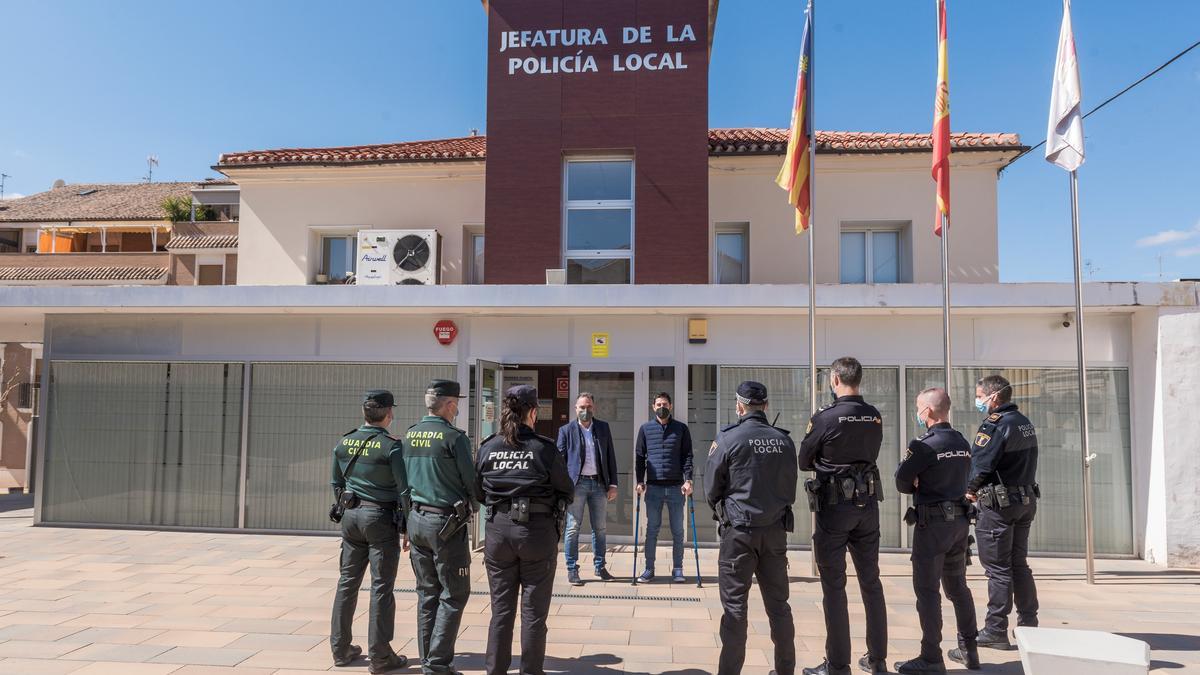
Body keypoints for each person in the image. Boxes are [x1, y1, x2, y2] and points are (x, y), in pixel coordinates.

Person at [474, 384, 574, 675]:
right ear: (533, 412)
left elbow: (477, 490)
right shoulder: (543, 448)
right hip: (537, 534)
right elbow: (566, 489)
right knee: (533, 613)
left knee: (501, 611)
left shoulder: (488, 446)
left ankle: (496, 671)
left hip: (498, 533)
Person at [799, 357, 888, 675]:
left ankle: (837, 665)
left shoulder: (826, 417)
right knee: (871, 582)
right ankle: (877, 660)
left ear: (835, 380)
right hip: (868, 507)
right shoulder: (874, 416)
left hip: (835, 509)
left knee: (834, 587)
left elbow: (804, 459)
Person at [706, 381, 799, 675]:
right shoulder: (784, 441)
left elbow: (711, 488)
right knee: (779, 606)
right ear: (766, 406)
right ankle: (785, 670)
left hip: (739, 535)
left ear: (739, 406)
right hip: (774, 534)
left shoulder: (728, 439)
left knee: (735, 610)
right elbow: (790, 487)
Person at [892, 388, 980, 674]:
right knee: (958, 588)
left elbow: (902, 482)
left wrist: (917, 479)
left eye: (918, 408)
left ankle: (931, 656)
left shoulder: (923, 445)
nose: (917, 413)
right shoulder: (962, 441)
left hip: (933, 526)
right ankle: (970, 649)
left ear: (928, 412)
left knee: (928, 591)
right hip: (959, 524)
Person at [329, 390, 409, 674]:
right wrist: (408, 525)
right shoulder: (391, 446)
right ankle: (380, 655)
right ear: (389, 414)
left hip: (350, 517)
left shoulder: (344, 442)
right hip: (380, 518)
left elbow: (337, 483)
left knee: (347, 582)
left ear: (365, 414)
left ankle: (340, 649)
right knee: (382, 586)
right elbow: (403, 489)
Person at [399, 379, 475, 675]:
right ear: (449, 404)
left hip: (417, 520)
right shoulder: (455, 438)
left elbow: (404, 484)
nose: (457, 408)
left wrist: (406, 523)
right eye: (457, 403)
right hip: (446, 524)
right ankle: (438, 664)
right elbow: (471, 481)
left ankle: (429, 659)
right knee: (455, 594)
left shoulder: (410, 435)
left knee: (427, 592)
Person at [967, 374, 1040, 650]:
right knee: (1019, 564)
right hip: (1024, 501)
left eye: (979, 395)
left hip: (999, 507)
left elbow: (982, 465)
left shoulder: (995, 425)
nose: (977, 401)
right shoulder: (1024, 422)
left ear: (993, 397)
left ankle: (996, 629)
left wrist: (969, 491)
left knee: (997, 569)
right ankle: (1029, 625)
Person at [557, 392, 619, 585]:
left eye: (589, 407)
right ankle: (572, 569)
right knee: (573, 528)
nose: (585, 410)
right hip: (577, 486)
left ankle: (600, 567)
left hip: (599, 484)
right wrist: (562, 486)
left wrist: (613, 484)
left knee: (600, 528)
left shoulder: (602, 428)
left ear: (594, 408)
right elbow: (559, 462)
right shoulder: (566, 430)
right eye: (582, 407)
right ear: (575, 409)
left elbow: (610, 457)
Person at [634, 392, 694, 583]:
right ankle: (649, 569)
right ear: (653, 407)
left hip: (676, 487)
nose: (662, 407)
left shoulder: (681, 429)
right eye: (658, 404)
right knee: (652, 529)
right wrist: (639, 480)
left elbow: (688, 456)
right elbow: (639, 457)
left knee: (678, 531)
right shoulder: (645, 429)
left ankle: (677, 569)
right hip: (653, 488)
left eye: (665, 404)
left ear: (671, 406)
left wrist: (689, 480)